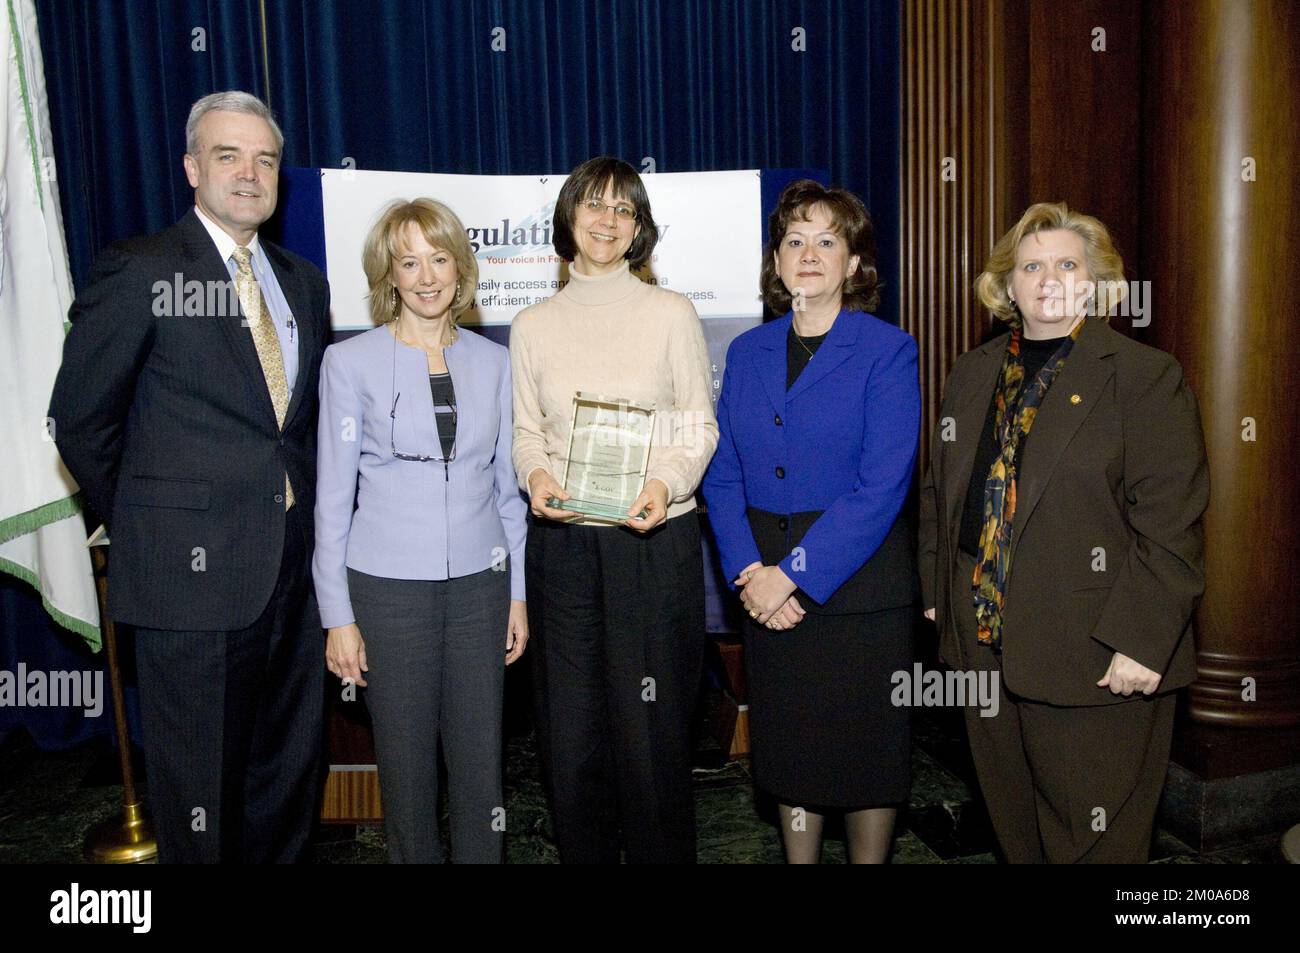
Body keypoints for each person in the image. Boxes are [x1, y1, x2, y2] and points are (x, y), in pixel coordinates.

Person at [48, 91, 330, 862]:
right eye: (227, 155)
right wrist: (151, 525)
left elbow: (293, 431)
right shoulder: (139, 269)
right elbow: (79, 420)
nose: (249, 173)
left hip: (294, 579)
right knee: (200, 796)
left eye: (265, 159)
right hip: (189, 584)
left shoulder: (303, 281)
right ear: (191, 168)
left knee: (287, 778)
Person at [919, 201, 1209, 863]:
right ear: (1007, 284)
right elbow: (941, 491)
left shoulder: (1142, 376)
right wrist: (939, 589)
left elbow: (1171, 521)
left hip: (1098, 653)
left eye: (1067, 263)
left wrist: (1141, 639)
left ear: (1096, 281)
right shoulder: (972, 373)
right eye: (1031, 265)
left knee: (1094, 842)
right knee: (1016, 830)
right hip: (984, 645)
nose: (1049, 278)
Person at [702, 180, 920, 863]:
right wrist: (749, 574)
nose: (809, 253)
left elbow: (882, 485)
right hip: (762, 583)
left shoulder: (888, 351)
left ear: (854, 264)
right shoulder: (746, 352)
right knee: (793, 746)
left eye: (828, 240)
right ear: (775, 262)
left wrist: (792, 578)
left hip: (858, 589)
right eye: (794, 240)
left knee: (865, 754)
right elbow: (723, 471)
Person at [510, 156, 719, 863]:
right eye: (594, 205)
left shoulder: (670, 313)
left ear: (639, 228)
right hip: (564, 550)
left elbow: (698, 426)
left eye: (624, 209)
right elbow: (524, 431)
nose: (607, 220)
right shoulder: (532, 324)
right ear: (568, 217)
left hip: (651, 545)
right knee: (570, 743)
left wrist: (663, 483)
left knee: (651, 739)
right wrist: (535, 474)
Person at [313, 198, 527, 863]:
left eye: (439, 258)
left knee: (479, 765)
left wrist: (516, 591)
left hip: (480, 591)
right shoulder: (349, 364)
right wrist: (337, 615)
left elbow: (508, 493)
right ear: (390, 275)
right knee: (405, 773)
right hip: (385, 592)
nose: (427, 276)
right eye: (410, 261)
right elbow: (330, 498)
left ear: (460, 268)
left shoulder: (494, 363)